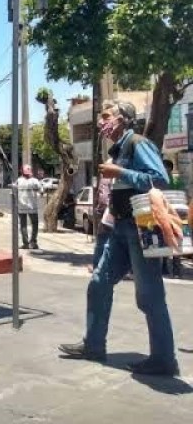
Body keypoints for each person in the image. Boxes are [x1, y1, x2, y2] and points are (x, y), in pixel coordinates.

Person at [59, 100, 179, 377]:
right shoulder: (120, 147)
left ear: (124, 118)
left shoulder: (138, 143)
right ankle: (93, 345)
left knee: (149, 295)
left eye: (106, 116)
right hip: (121, 228)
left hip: (140, 228)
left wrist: (120, 172)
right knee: (99, 283)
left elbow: (160, 179)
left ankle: (164, 358)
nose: (102, 122)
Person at [16, 165, 42, 250]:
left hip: (21, 207)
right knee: (34, 224)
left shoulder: (18, 181)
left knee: (23, 225)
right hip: (32, 207)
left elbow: (14, 192)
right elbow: (41, 190)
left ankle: (26, 243)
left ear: (21, 171)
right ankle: (33, 242)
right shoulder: (35, 181)